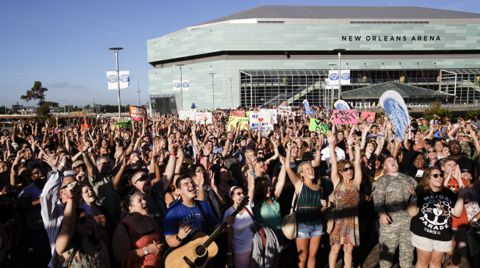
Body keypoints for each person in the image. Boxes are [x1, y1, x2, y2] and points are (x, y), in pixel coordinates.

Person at [407, 167, 466, 268]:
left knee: (436, 264)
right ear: (427, 178)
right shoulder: (420, 191)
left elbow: (457, 213)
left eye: (441, 175)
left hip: (442, 235)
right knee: (423, 263)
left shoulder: (448, 193)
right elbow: (412, 213)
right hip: (423, 233)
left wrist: (460, 182)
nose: (439, 178)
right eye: (435, 175)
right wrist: (414, 198)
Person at [284, 142, 326, 268]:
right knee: (302, 258)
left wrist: (324, 205)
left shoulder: (319, 187)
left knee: (313, 257)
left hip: (317, 225)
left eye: (311, 168)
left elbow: (322, 209)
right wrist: (289, 152)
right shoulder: (299, 184)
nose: (311, 170)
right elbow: (287, 168)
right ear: (301, 173)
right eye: (307, 169)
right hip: (302, 225)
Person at [372, 156, 418, 268]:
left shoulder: (409, 179)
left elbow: (418, 196)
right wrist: (382, 213)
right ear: (384, 166)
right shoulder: (382, 180)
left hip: (408, 221)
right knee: (387, 255)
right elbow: (378, 199)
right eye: (390, 161)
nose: (394, 162)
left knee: (407, 253)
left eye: (395, 161)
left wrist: (414, 195)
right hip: (390, 222)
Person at [327, 131, 362, 268]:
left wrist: (357, 147)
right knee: (335, 249)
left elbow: (357, 164)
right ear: (341, 171)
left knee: (349, 249)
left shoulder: (356, 183)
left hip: (353, 220)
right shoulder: (337, 182)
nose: (350, 171)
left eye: (350, 168)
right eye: (346, 169)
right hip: (338, 220)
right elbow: (334, 163)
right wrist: (331, 144)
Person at [55, 184, 110, 268]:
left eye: (89, 219)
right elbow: (67, 225)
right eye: (83, 220)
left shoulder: (99, 243)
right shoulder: (66, 249)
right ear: (74, 226)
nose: (88, 222)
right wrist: (71, 198)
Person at [163, 175, 218, 248]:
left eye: (192, 182)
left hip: (207, 250)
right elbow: (169, 241)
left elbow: (215, 225)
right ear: (179, 191)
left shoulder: (205, 205)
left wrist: (224, 224)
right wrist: (179, 237)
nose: (191, 184)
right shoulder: (172, 212)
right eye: (186, 184)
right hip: (187, 255)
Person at [112, 191, 165, 267]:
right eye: (140, 200)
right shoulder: (124, 227)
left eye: (144, 199)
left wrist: (160, 246)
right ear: (131, 208)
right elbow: (120, 257)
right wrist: (147, 250)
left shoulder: (151, 220)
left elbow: (161, 238)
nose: (145, 201)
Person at [224, 186, 254, 268]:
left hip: (255, 248)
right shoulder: (228, 213)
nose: (242, 195)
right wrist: (229, 255)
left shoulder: (248, 207)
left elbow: (251, 187)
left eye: (243, 193)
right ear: (232, 197)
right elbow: (229, 237)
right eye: (238, 193)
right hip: (240, 252)